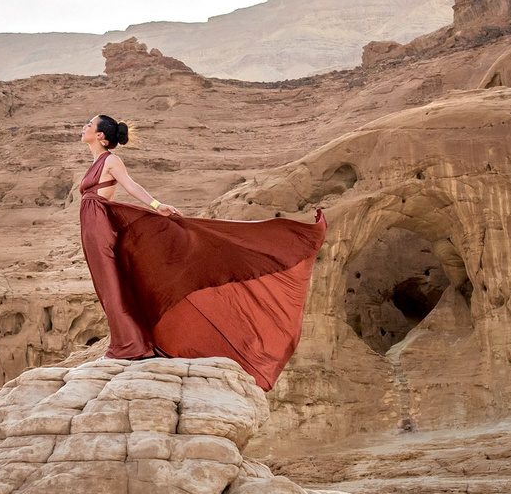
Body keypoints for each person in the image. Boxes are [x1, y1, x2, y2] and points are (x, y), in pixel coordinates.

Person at [75, 113, 325, 391]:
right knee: (107, 286)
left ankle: (130, 346)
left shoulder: (111, 160)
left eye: (90, 124)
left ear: (101, 136)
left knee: (111, 286)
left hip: (99, 225)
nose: (84, 126)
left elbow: (131, 186)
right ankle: (127, 343)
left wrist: (158, 206)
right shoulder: (95, 161)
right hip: (92, 225)